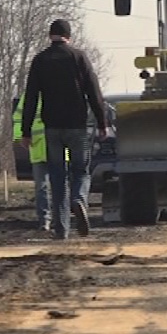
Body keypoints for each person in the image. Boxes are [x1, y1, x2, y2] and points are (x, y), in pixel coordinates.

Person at [21, 19, 109, 240]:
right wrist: (102, 122)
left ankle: (62, 230)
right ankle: (79, 199)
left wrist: (26, 131)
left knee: (58, 177)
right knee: (80, 170)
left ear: (50, 36)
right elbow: (94, 92)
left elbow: (31, 97)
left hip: (52, 128)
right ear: (68, 36)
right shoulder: (78, 57)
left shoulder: (40, 60)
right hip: (77, 126)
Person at [12, 93, 51, 231]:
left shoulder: (61, 89)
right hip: (38, 148)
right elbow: (18, 117)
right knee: (41, 187)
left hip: (64, 150)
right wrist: (19, 137)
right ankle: (45, 220)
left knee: (64, 182)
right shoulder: (31, 95)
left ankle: (63, 218)